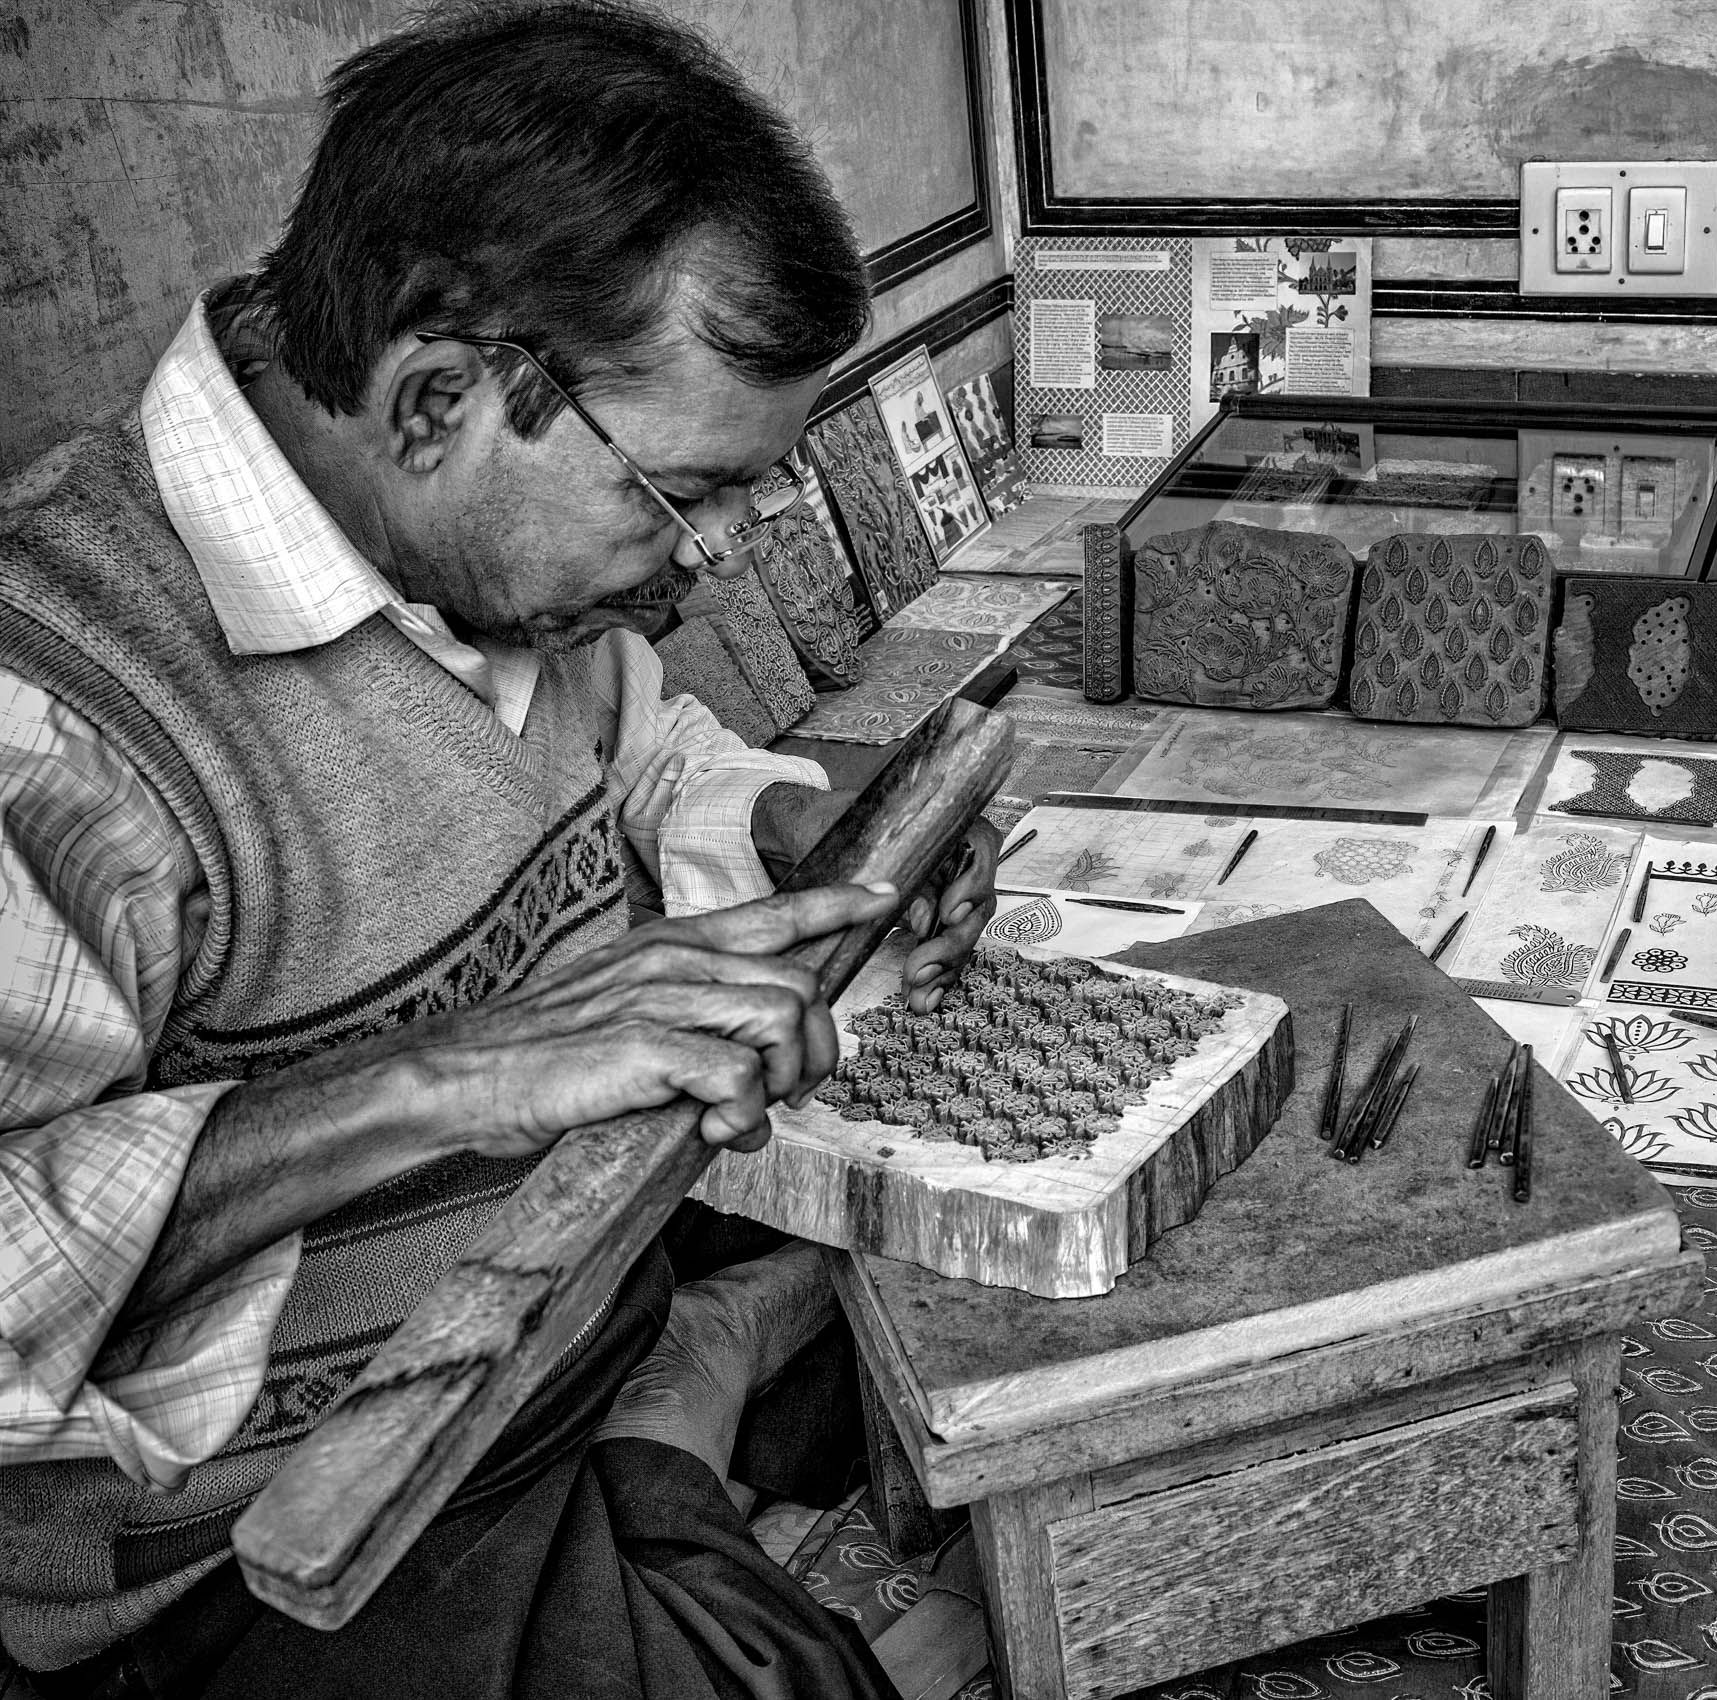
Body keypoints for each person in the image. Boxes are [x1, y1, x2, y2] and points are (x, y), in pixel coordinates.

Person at [0, 2, 997, 1693]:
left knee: (1022, 1268)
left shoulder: (488, 558)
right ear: (436, 397)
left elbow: (638, 749)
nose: (718, 559)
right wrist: (438, 1080)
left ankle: (692, 1397)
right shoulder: (61, 715)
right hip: (283, 1549)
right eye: (686, 497)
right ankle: (690, 1429)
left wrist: (783, 830)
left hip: (573, 1306)